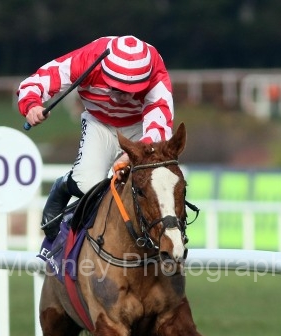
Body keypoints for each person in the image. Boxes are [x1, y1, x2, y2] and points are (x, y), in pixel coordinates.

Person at [17, 35, 174, 240]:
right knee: (88, 184)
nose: (121, 97)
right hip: (99, 123)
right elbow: (37, 81)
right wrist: (31, 104)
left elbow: (160, 125)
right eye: (116, 89)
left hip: (140, 128)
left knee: (153, 186)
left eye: (130, 92)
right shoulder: (88, 58)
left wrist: (135, 152)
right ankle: (64, 185)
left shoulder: (155, 69)